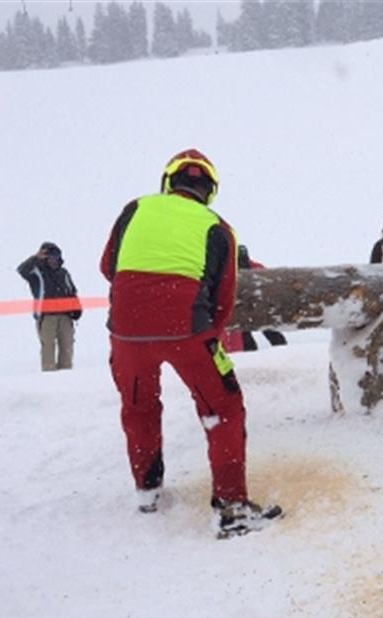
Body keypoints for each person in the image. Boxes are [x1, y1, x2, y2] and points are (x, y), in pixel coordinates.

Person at [99, 148, 281, 536]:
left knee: (139, 407)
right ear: (210, 190)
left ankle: (148, 491)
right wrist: (208, 336)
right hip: (187, 329)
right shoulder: (218, 227)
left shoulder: (134, 209)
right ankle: (231, 507)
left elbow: (108, 267)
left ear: (168, 181)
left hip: (126, 332)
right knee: (223, 409)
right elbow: (224, 297)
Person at [17, 241, 82, 372]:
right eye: (50, 257)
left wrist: (76, 308)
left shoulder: (64, 273)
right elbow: (22, 270)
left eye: (56, 257)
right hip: (46, 317)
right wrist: (36, 258)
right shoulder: (37, 272)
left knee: (67, 346)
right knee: (48, 347)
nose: (53, 260)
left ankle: (66, 373)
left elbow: (72, 291)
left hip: (65, 316)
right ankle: (49, 375)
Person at [221, 245, 288, 353]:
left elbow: (270, 286)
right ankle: (281, 351)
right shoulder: (254, 268)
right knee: (251, 335)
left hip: (255, 307)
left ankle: (281, 351)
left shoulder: (255, 269)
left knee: (263, 332)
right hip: (245, 308)